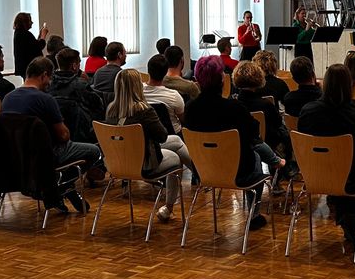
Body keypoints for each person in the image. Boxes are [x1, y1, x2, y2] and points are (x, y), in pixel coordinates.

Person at [295, 63, 355, 246]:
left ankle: (347, 212)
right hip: (349, 178)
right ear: (348, 86)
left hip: (314, 175)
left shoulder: (307, 111)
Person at [181, 56, 267, 231]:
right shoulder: (234, 108)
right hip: (238, 172)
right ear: (222, 79)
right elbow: (253, 133)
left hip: (203, 170)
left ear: (197, 80)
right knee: (256, 156)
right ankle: (254, 214)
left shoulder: (190, 108)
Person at [106, 69, 190, 223]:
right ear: (138, 86)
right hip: (144, 164)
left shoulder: (110, 110)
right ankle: (169, 206)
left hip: (117, 164)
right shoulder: (144, 111)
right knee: (176, 157)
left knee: (176, 142)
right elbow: (162, 136)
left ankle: (200, 172)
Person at [2, 57, 102, 171]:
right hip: (47, 153)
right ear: (44, 75)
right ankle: (66, 181)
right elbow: (63, 135)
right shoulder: (45, 99)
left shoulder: (7, 98)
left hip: (17, 153)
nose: (50, 83)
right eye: (50, 78)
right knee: (94, 150)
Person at [233, 60, 288, 175]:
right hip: (267, 141)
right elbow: (278, 123)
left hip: (239, 146)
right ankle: (285, 168)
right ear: (259, 78)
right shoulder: (266, 105)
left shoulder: (233, 105)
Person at [48, 48, 105, 142]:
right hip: (80, 135)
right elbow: (98, 104)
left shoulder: (49, 84)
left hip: (55, 134)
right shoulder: (80, 85)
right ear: (74, 66)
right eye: (79, 63)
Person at [143, 53, 186, 133]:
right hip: (172, 136)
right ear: (166, 72)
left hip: (146, 136)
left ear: (148, 70)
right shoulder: (174, 96)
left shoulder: (137, 92)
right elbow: (183, 119)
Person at [90, 41, 127, 112]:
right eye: (125, 52)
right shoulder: (121, 74)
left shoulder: (98, 72)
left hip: (98, 115)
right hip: (116, 114)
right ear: (119, 55)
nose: (126, 55)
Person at [12, 12, 49, 78]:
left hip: (24, 67)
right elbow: (38, 47)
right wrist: (43, 36)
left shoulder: (18, 33)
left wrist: (39, 36)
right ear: (25, 22)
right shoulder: (25, 34)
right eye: (30, 21)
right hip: (30, 68)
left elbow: (32, 46)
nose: (32, 22)